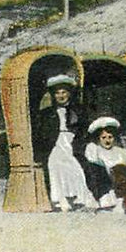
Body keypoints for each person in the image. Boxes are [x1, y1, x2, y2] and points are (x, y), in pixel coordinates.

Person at [33, 74, 97, 212]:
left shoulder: (79, 110)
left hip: (73, 141)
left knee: (76, 167)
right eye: (57, 93)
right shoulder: (47, 113)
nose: (61, 96)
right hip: (55, 142)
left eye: (64, 92)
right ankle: (59, 199)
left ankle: (79, 197)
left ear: (69, 93)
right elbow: (42, 132)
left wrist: (81, 141)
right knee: (54, 164)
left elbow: (85, 129)